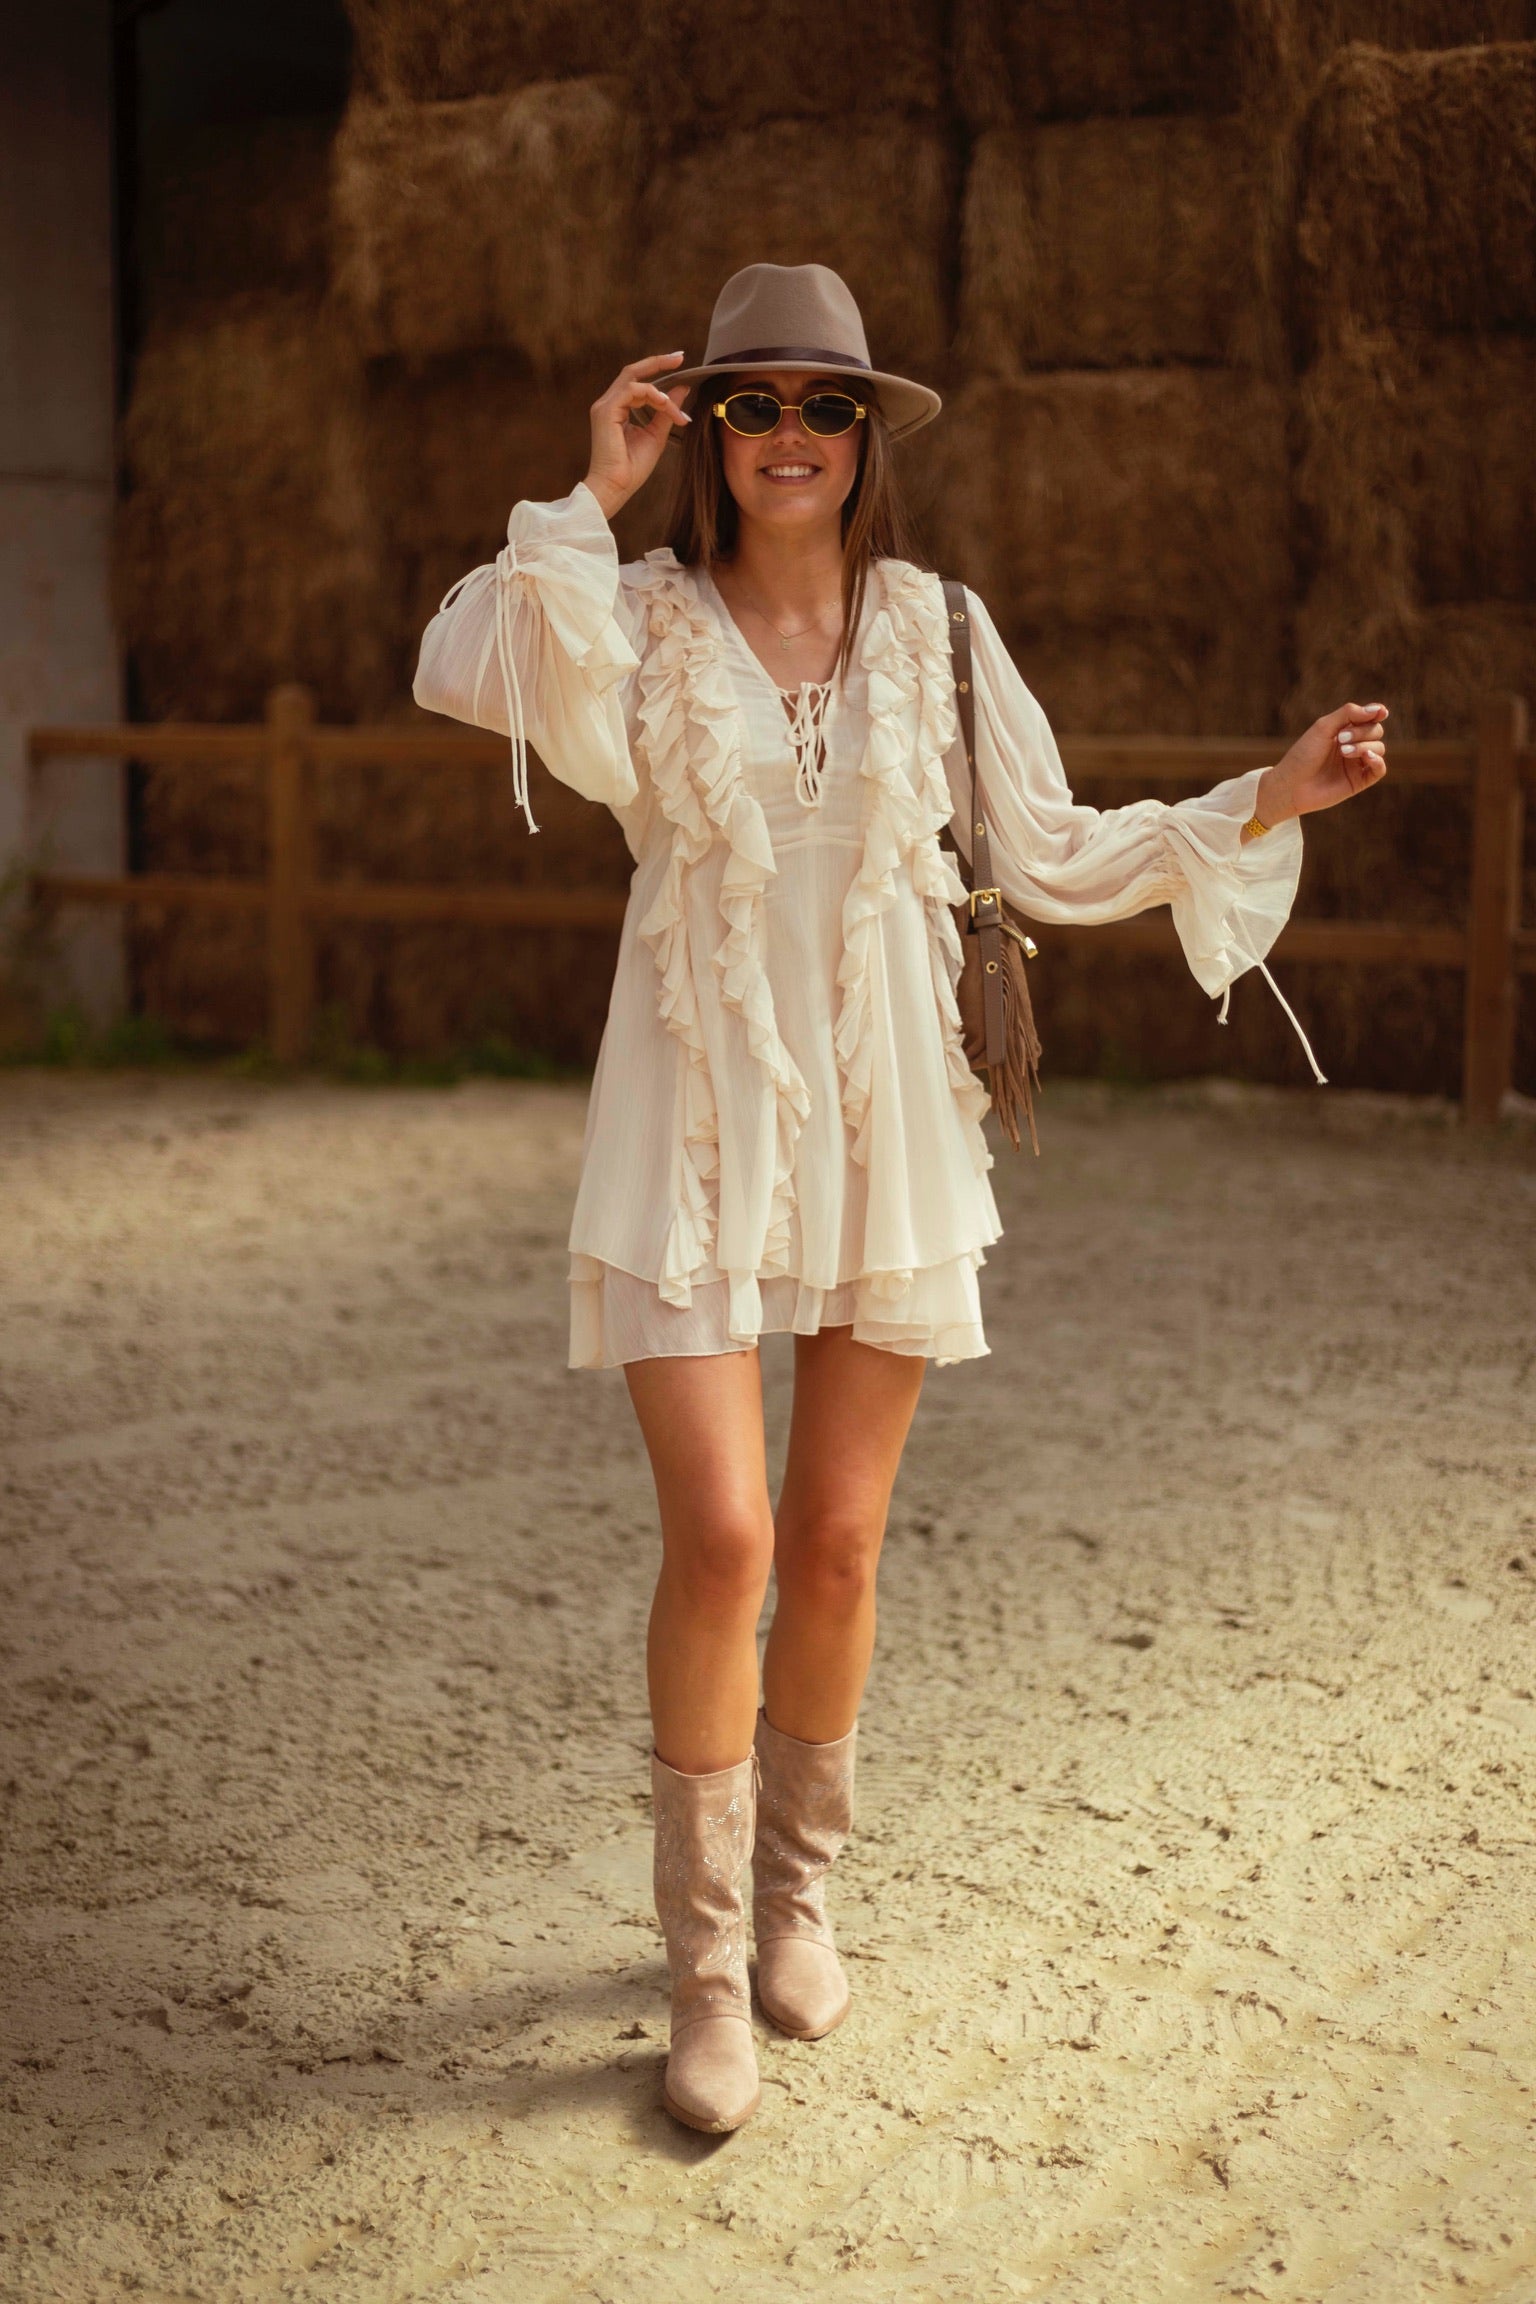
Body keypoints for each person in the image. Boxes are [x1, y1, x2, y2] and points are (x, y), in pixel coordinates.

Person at [412, 263, 1387, 2134]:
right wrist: (595, 488)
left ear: (868, 439)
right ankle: (703, 1969)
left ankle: (797, 1901)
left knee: (840, 1543)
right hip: (692, 1108)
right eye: (752, 404)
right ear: (709, 431)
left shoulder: (939, 632)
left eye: (825, 407)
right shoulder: (635, 616)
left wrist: (1263, 799)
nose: (789, 435)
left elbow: (1052, 849)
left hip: (886, 1120)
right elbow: (472, 668)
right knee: (726, 1540)